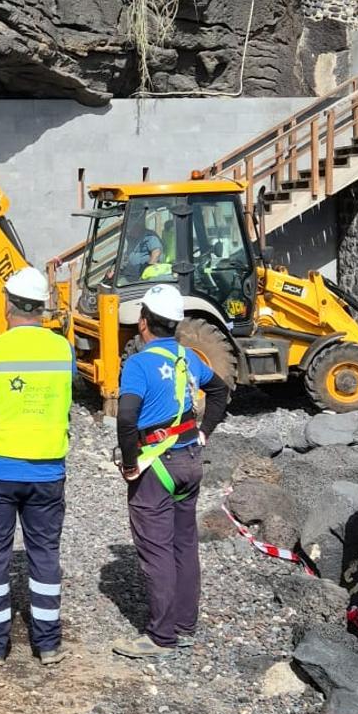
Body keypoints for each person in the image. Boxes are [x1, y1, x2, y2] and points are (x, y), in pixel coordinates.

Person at [112, 281, 231, 658]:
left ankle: (161, 636)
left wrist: (130, 463)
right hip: (189, 460)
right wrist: (204, 431)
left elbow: (126, 417)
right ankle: (184, 625)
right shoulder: (188, 358)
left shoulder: (138, 363)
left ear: (143, 322)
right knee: (184, 543)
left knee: (156, 548)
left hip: (156, 464)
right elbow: (220, 391)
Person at [0, 267, 75, 665]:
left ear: (8, 305)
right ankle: (48, 645)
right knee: (44, 555)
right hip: (48, 472)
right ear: (42, 309)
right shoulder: (64, 350)